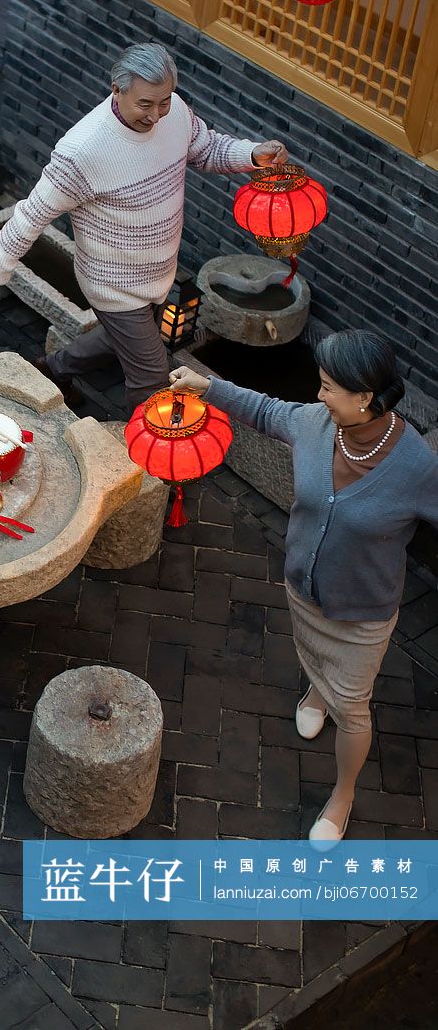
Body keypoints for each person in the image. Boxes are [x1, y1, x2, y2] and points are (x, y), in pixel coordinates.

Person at [171, 331, 438, 846]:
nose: (319, 396)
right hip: (304, 590)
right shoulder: (316, 425)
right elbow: (266, 410)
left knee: (353, 709)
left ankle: (343, 796)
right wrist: (207, 387)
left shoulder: (417, 470)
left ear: (365, 397)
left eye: (329, 387)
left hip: (362, 614)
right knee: (315, 663)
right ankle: (316, 688)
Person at [0, 42, 287, 410]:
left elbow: (207, 148)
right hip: (114, 284)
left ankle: (52, 368)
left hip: (159, 274)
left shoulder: (176, 115)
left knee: (118, 340)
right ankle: (141, 453)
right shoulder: (83, 152)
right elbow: (32, 214)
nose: (157, 115)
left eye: (165, 101)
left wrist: (252, 155)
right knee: (152, 377)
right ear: (116, 90)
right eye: (145, 104)